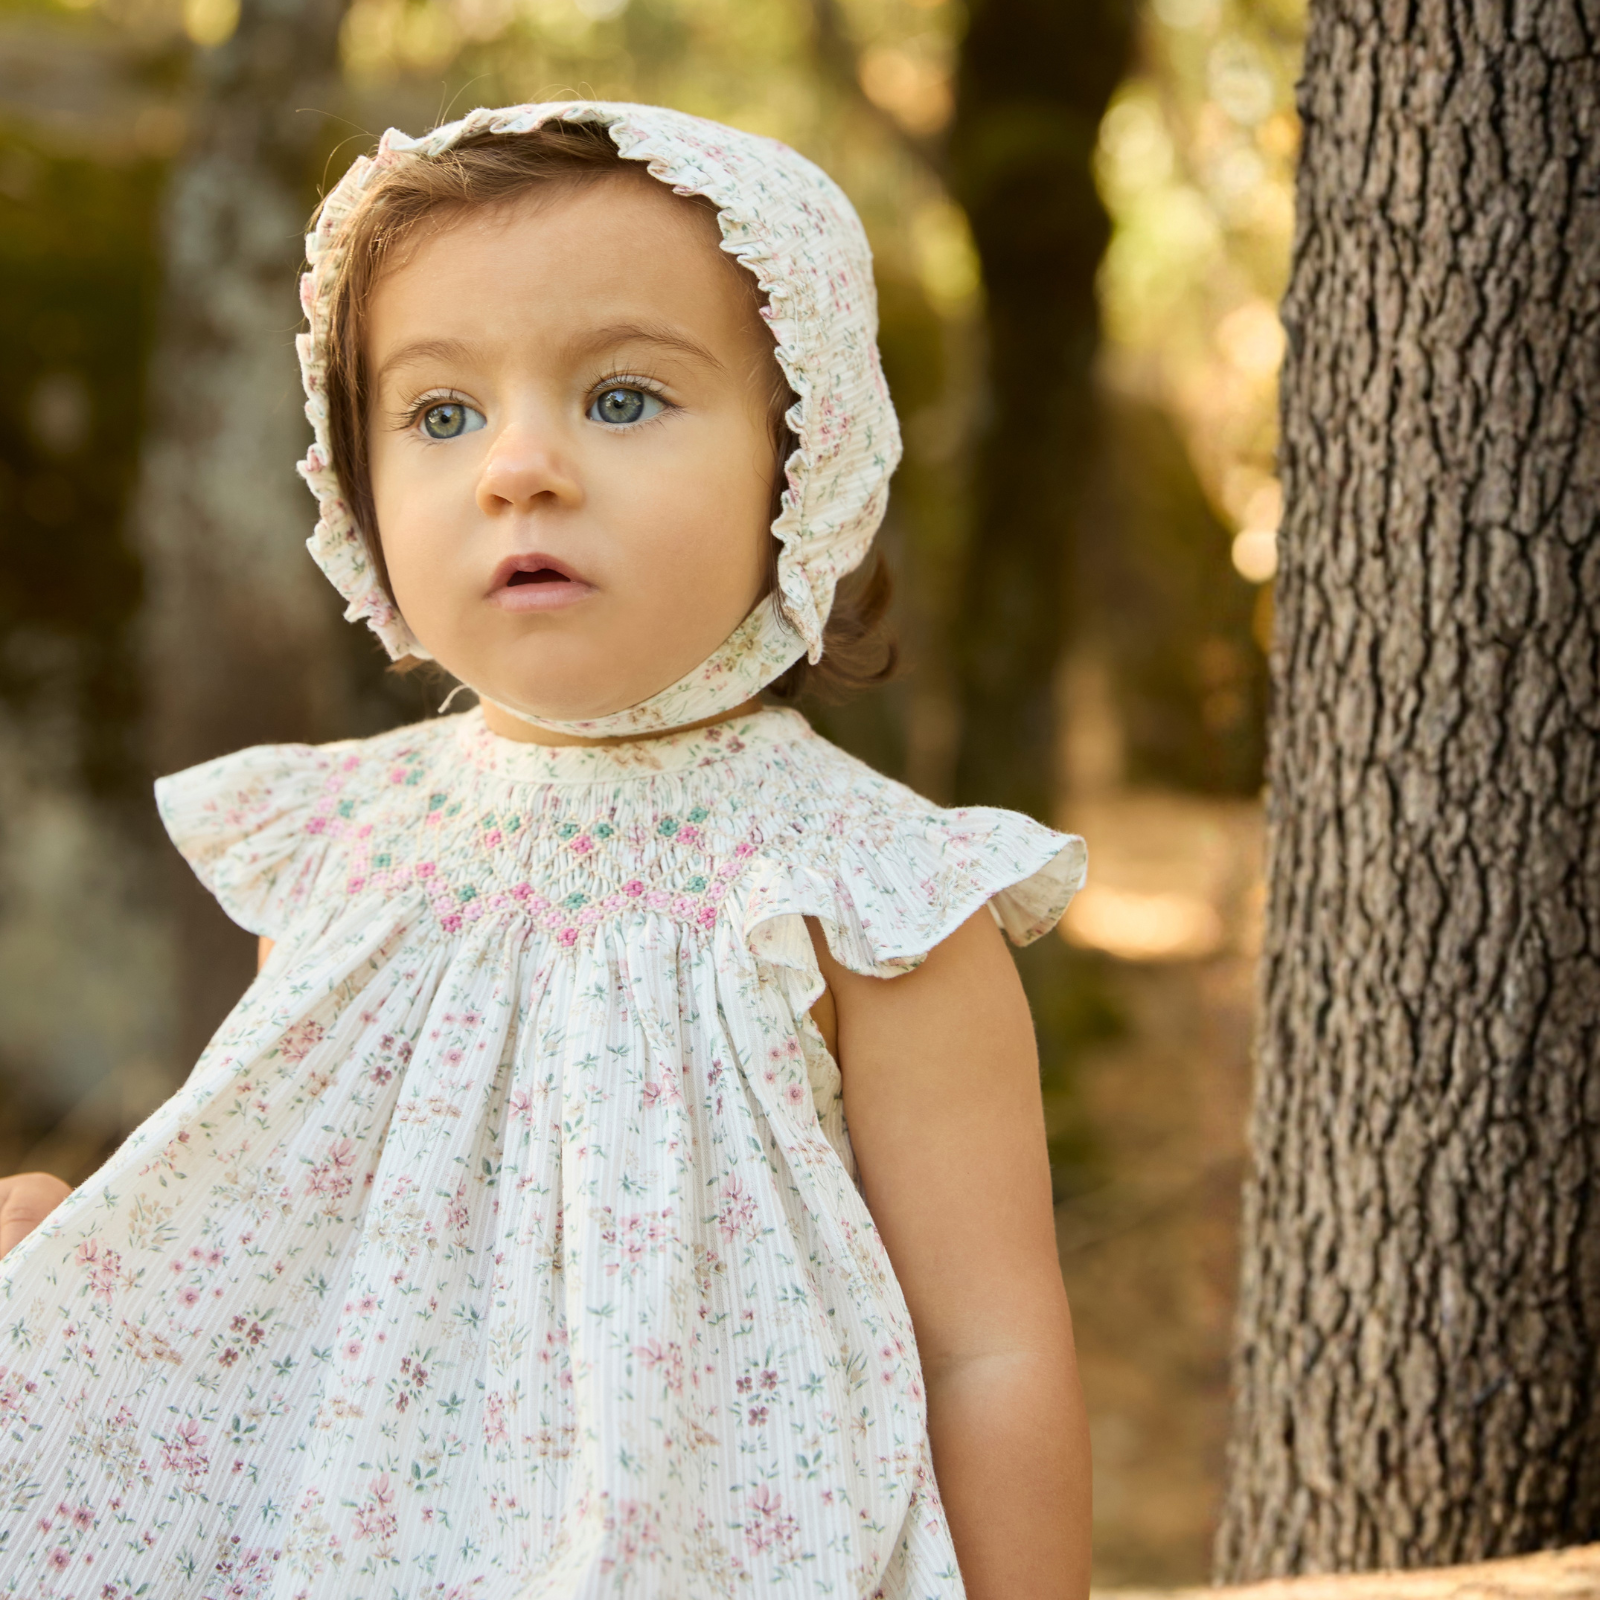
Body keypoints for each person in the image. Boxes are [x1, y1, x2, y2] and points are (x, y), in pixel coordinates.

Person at [0, 103, 1090, 1598]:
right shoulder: (341, 840)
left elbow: (989, 1349)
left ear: (806, 455)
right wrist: (78, 1301)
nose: (519, 467)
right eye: (442, 415)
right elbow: (285, 1230)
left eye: (624, 398)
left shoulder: (868, 896)